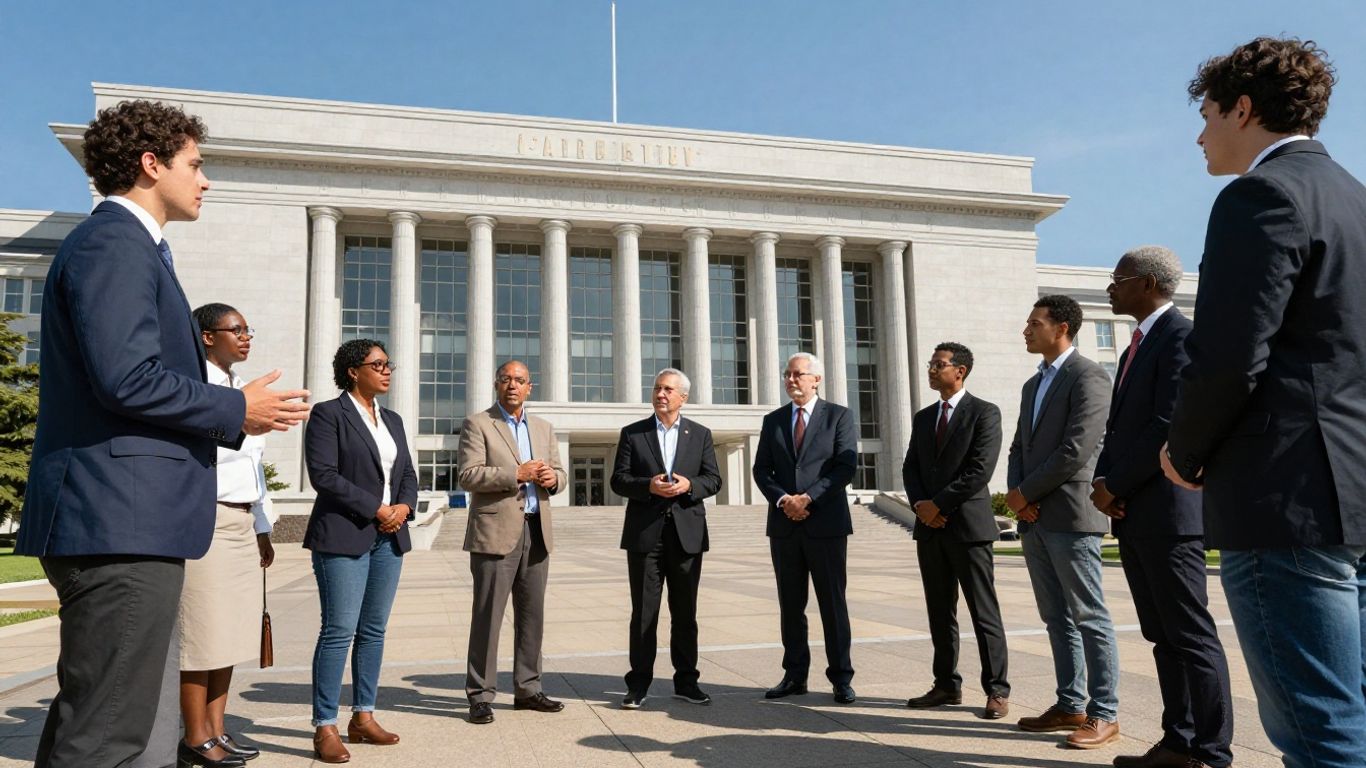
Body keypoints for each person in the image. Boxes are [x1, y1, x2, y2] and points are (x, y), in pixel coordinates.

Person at [14, 99, 309, 768]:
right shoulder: (116, 243)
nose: (204, 180)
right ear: (152, 164)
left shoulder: (134, 249)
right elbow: (125, 377)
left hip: (124, 518)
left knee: (93, 719)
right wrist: (236, 410)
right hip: (120, 520)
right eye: (195, 165)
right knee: (109, 732)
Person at [1160, 37, 1366, 768]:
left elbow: (1226, 357)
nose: (1200, 133)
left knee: (1319, 731)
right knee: (1352, 711)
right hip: (1353, 490)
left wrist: (1182, 452)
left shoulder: (1261, 195)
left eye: (1209, 113)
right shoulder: (1354, 198)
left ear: (1243, 109)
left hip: (1283, 496)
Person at [1091, 247, 1233, 768]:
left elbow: (1168, 423)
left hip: (1170, 515)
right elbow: (1120, 428)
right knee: (1161, 636)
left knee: (1191, 635)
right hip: (1136, 512)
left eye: (1118, 279)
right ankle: (1178, 742)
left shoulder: (1179, 336)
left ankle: (1212, 753)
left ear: (1147, 283)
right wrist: (1106, 481)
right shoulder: (1136, 346)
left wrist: (1116, 484)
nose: (1111, 287)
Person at [1006, 295, 1120, 749]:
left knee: (1089, 615)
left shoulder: (1089, 376)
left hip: (1071, 514)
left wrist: (1025, 493)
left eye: (1034, 323)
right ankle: (1069, 703)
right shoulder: (1033, 385)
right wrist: (1017, 497)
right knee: (1056, 618)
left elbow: (1078, 448)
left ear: (1062, 328)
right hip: (1034, 517)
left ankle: (1104, 713)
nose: (1026, 330)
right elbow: (1019, 446)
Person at [303, 339, 417, 764]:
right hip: (343, 535)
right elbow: (324, 476)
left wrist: (403, 507)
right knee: (338, 631)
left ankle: (363, 716)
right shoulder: (329, 415)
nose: (387, 370)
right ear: (353, 370)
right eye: (378, 364)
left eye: (389, 364)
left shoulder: (394, 420)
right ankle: (325, 725)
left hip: (390, 537)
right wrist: (377, 508)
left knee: (374, 631)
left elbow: (407, 472)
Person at [178, 304, 280, 768]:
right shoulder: (193, 386)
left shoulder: (241, 388)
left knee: (231, 634)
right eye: (234, 330)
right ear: (205, 337)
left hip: (242, 519)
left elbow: (254, 468)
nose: (245, 337)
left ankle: (218, 728)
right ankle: (194, 735)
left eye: (247, 329)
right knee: (203, 634)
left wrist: (262, 527)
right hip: (209, 517)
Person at [902, 343, 1010, 720]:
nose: (931, 369)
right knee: (939, 611)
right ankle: (946, 684)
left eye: (938, 364)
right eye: (931, 363)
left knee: (983, 612)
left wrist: (939, 505)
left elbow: (980, 470)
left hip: (968, 527)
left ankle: (996, 690)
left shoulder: (984, 413)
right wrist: (921, 506)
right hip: (930, 529)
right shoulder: (923, 417)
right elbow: (910, 467)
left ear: (959, 371)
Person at [459, 360, 567, 725]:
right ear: (495, 384)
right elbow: (468, 475)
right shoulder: (478, 424)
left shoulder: (543, 427)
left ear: (529, 387)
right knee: (488, 616)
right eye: (506, 379)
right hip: (494, 534)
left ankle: (528, 689)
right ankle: (480, 694)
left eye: (520, 380)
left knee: (532, 616)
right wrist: (515, 475)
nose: (512, 385)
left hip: (537, 532)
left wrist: (553, 478)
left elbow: (561, 474)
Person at [610, 368, 723, 709]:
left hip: (687, 534)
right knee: (644, 613)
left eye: (668, 389)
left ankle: (687, 682)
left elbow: (713, 479)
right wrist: (648, 485)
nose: (661, 394)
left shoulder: (700, 434)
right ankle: (639, 684)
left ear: (682, 397)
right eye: (657, 388)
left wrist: (690, 485)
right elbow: (618, 480)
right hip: (646, 535)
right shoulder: (633, 433)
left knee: (685, 613)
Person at [752, 352, 858, 704]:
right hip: (785, 527)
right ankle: (794, 675)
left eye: (797, 374)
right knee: (790, 605)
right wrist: (785, 500)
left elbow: (844, 467)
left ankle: (841, 677)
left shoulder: (839, 416)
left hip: (826, 525)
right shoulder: (774, 421)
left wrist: (808, 498)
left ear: (816, 380)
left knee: (832, 603)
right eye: (787, 374)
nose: (791, 380)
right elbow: (761, 470)